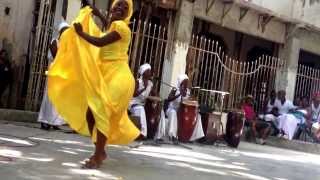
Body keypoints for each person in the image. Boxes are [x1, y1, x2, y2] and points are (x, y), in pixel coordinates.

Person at [47, 0, 140, 169]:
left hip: (120, 77)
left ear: (128, 14)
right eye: (118, 5)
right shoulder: (113, 25)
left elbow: (100, 42)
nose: (121, 8)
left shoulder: (122, 28)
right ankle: (100, 149)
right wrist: (96, 12)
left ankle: (97, 156)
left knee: (101, 111)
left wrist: (81, 33)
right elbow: (107, 26)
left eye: (125, 8)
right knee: (91, 113)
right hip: (107, 74)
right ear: (112, 8)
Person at [38, 21, 69, 131]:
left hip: (62, 74)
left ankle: (55, 122)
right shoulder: (54, 41)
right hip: (53, 72)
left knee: (58, 98)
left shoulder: (67, 44)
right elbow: (56, 56)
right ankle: (44, 121)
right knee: (49, 97)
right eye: (65, 31)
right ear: (60, 32)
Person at [155, 74, 204, 143]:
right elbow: (169, 99)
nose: (187, 83)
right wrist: (179, 94)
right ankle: (172, 135)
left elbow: (190, 100)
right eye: (185, 81)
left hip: (182, 111)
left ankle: (191, 137)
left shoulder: (188, 91)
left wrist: (192, 99)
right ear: (181, 82)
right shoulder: (175, 89)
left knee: (198, 115)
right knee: (173, 113)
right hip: (172, 109)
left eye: (187, 81)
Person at [128, 63, 154, 138]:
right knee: (141, 109)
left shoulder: (150, 83)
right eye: (148, 71)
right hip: (133, 104)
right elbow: (134, 94)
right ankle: (142, 133)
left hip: (143, 104)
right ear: (143, 73)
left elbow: (154, 93)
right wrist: (143, 88)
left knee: (158, 111)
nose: (150, 73)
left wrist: (156, 98)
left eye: (150, 71)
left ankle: (156, 135)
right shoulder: (138, 82)